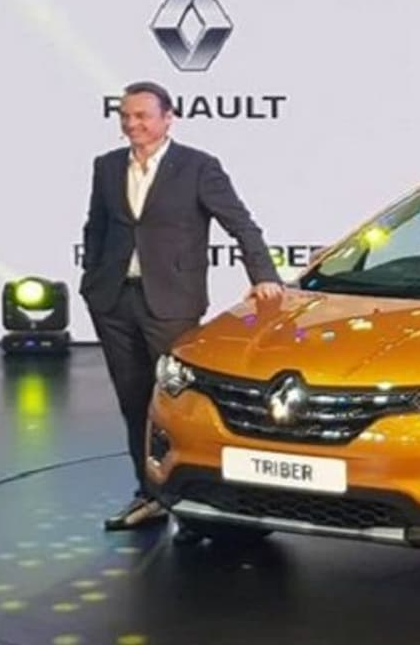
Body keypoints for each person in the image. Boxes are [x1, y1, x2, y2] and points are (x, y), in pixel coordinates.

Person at [80, 80, 283, 531]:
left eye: (142, 116)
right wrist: (90, 279)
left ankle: (194, 506)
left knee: (182, 405)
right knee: (134, 401)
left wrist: (264, 277)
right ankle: (149, 494)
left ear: (167, 118)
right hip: (113, 300)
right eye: (125, 116)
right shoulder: (107, 166)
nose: (132, 124)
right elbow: (96, 227)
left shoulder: (197, 167)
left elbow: (241, 224)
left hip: (171, 302)